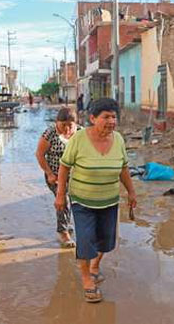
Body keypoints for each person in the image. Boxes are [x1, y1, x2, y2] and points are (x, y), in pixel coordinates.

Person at [55, 98, 137, 303]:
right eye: (106, 117)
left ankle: (94, 266)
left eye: (114, 117)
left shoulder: (118, 139)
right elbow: (64, 167)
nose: (111, 121)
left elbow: (124, 168)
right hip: (82, 200)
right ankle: (86, 279)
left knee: (106, 239)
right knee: (85, 238)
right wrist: (60, 194)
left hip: (109, 200)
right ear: (92, 118)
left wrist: (131, 193)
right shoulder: (79, 139)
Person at [36, 107, 79, 248]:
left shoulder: (81, 133)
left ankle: (65, 222)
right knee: (63, 200)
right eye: (63, 125)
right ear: (57, 123)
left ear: (76, 124)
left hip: (75, 177)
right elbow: (40, 154)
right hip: (55, 176)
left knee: (74, 200)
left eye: (70, 125)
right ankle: (63, 232)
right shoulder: (50, 134)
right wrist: (49, 173)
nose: (67, 129)